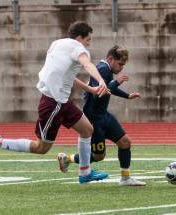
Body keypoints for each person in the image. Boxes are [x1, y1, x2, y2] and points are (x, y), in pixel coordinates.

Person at [0, 21, 110, 184]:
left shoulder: (57, 44)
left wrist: (90, 89)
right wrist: (100, 80)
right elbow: (87, 64)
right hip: (53, 104)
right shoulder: (78, 48)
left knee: (87, 129)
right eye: (88, 40)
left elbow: (68, 75)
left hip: (62, 102)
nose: (89, 44)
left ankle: (85, 173)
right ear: (79, 38)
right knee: (41, 148)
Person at [56, 45, 146, 186]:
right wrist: (116, 82)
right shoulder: (103, 70)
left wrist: (127, 95)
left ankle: (125, 178)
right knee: (98, 156)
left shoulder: (106, 70)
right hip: (94, 120)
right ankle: (67, 159)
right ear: (110, 58)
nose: (121, 68)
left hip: (103, 115)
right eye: (120, 64)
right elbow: (99, 93)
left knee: (125, 142)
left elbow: (108, 88)